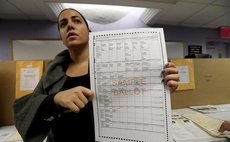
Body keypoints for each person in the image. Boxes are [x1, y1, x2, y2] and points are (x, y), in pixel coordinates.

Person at [13, 8, 180, 142]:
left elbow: (133, 96)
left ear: (89, 31)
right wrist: (54, 99)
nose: (70, 25)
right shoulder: (52, 72)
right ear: (61, 37)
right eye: (63, 24)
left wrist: (161, 87)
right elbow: (25, 110)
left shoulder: (117, 66)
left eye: (76, 21)